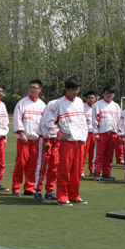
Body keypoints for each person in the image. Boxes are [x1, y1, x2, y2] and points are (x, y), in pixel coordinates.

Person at [45, 76, 88, 206]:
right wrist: (58, 133)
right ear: (67, 89)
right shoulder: (58, 103)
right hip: (67, 142)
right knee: (64, 170)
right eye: (73, 89)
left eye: (77, 89)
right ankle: (62, 197)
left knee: (77, 172)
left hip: (79, 142)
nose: (76, 92)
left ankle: (74, 195)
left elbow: (83, 121)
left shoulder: (80, 101)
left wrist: (84, 136)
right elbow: (48, 120)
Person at [12, 79, 46, 196]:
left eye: (34, 88)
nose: (32, 89)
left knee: (33, 165)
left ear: (40, 90)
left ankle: (29, 187)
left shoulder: (42, 105)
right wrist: (21, 134)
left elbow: (44, 123)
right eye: (30, 87)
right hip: (24, 140)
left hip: (37, 140)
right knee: (21, 164)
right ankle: (16, 187)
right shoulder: (22, 103)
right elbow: (17, 119)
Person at [33, 96, 61, 203]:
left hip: (57, 139)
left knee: (54, 166)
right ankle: (37, 191)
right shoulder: (53, 104)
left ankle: (49, 191)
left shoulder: (69, 105)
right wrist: (47, 138)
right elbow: (45, 122)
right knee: (42, 165)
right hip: (46, 138)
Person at [92, 85, 121, 181]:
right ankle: (96, 172)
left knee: (109, 155)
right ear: (103, 94)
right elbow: (94, 120)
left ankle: (106, 173)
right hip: (102, 134)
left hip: (112, 134)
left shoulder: (116, 106)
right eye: (107, 93)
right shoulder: (98, 105)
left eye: (111, 93)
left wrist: (119, 133)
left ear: (114, 95)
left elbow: (119, 120)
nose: (109, 95)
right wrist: (96, 133)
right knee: (99, 155)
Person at [82, 91, 97, 178]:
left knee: (93, 153)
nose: (91, 99)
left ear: (95, 98)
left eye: (92, 98)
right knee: (83, 153)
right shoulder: (82, 107)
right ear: (86, 98)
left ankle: (93, 170)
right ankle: (81, 171)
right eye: (89, 97)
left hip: (95, 133)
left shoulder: (97, 107)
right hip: (85, 133)